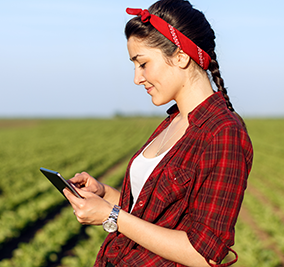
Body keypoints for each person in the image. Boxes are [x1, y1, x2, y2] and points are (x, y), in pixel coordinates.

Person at [63, 0, 253, 266]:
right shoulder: (173, 121)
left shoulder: (223, 133)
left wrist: (112, 217)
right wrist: (105, 194)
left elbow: (204, 254)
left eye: (142, 63)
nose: (137, 78)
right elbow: (155, 214)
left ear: (181, 56)